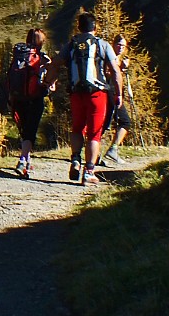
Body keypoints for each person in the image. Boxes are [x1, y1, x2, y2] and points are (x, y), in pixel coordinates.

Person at [50, 12, 122, 187]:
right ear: (95, 27)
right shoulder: (102, 44)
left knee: (77, 128)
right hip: (97, 94)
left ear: (79, 27)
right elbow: (115, 70)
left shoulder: (71, 45)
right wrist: (118, 93)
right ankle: (89, 172)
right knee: (94, 133)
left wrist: (50, 82)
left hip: (76, 93)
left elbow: (55, 63)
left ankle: (75, 159)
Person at [6, 28, 50, 178]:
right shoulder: (41, 57)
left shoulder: (19, 55)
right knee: (30, 133)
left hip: (18, 98)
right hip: (34, 98)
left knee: (25, 131)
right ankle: (22, 161)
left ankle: (27, 161)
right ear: (40, 42)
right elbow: (49, 76)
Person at [100, 34, 132, 167]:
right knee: (125, 121)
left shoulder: (118, 59)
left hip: (113, 93)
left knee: (104, 123)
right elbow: (108, 74)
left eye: (123, 46)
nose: (121, 48)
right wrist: (121, 68)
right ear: (113, 44)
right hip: (110, 93)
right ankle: (112, 149)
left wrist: (123, 69)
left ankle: (96, 154)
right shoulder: (109, 58)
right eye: (119, 45)